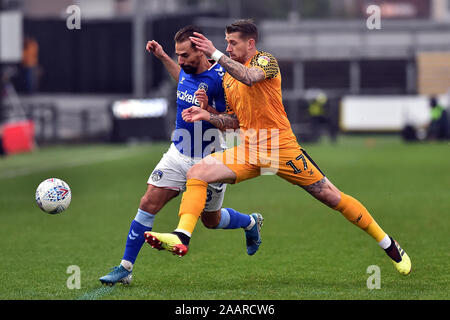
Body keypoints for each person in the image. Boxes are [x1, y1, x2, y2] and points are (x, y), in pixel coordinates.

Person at [145, 19, 412, 276]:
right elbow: (234, 121)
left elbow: (250, 77)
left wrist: (213, 53)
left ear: (251, 43)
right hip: (248, 147)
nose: (228, 48)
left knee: (332, 197)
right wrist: (208, 115)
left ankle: (389, 245)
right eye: (225, 43)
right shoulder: (227, 77)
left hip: (279, 148)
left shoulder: (265, 60)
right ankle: (182, 237)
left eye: (233, 43)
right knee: (197, 173)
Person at [99, 25, 263, 285]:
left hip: (209, 159)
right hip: (177, 153)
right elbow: (183, 80)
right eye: (177, 55)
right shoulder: (185, 70)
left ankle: (250, 223)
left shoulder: (221, 79)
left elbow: (235, 122)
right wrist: (163, 56)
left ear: (201, 51)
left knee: (211, 220)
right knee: (147, 203)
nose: (181, 60)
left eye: (185, 55)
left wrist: (207, 110)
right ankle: (125, 268)